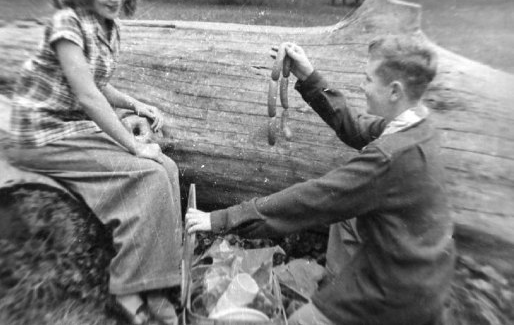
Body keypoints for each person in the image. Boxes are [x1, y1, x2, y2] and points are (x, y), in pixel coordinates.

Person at [186, 35, 456, 325]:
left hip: (397, 295)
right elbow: (355, 128)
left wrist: (223, 219)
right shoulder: (418, 125)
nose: (362, 87)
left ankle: (341, 309)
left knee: (301, 321)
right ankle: (337, 289)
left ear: (394, 91)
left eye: (368, 79)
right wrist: (308, 76)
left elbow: (315, 199)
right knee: (347, 220)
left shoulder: (389, 157)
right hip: (422, 273)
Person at [5, 0, 181, 324]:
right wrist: (133, 144)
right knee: (146, 174)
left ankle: (159, 285)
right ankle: (128, 290)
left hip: (70, 128)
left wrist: (136, 105)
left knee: (166, 168)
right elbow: (86, 95)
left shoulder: (107, 25)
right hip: (41, 134)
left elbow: (100, 83)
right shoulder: (67, 23)